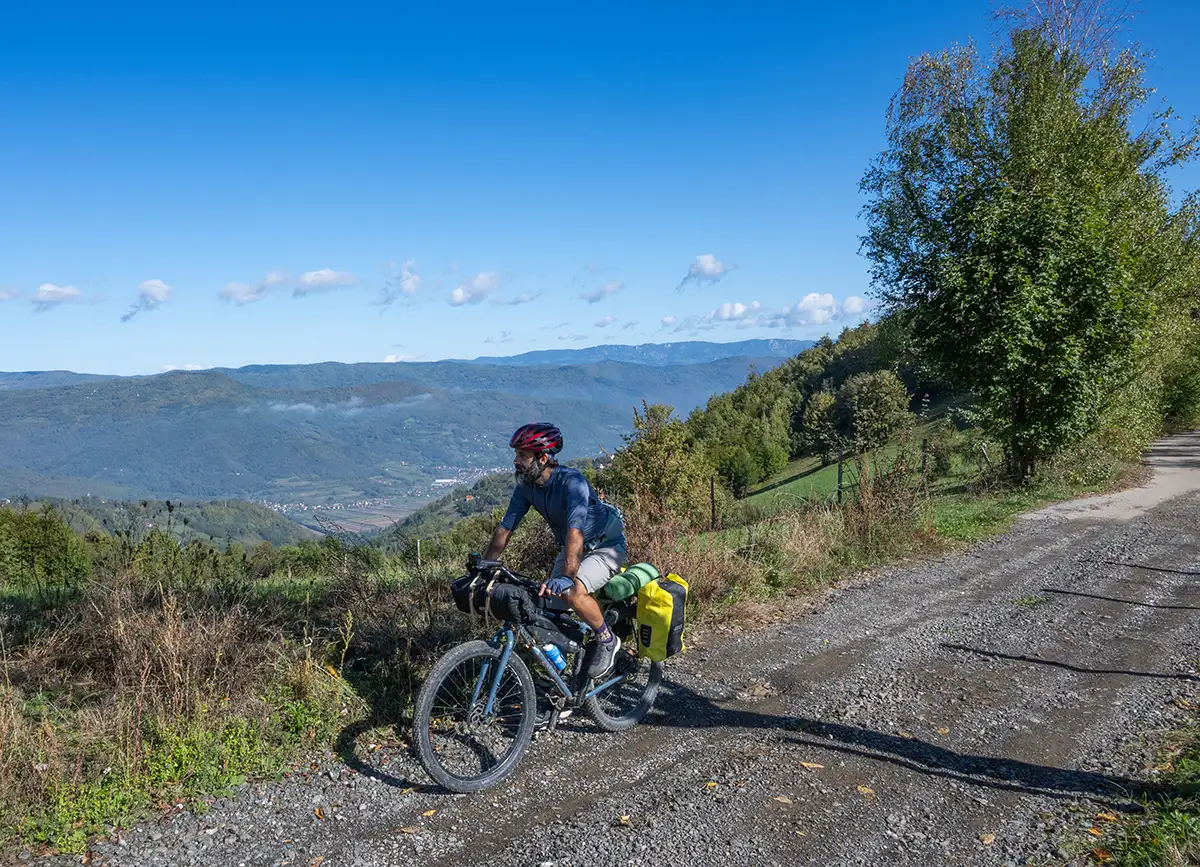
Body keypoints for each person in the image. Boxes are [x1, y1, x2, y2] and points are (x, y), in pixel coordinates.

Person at [483, 422, 627, 680]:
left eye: (522, 455)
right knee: (545, 612)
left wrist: (567, 577)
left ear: (543, 458)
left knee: (572, 592)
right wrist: (485, 566)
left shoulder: (572, 483)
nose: (516, 461)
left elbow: (575, 532)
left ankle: (607, 639)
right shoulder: (527, 487)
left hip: (605, 545)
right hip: (573, 548)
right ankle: (563, 680)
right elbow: (505, 529)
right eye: (516, 454)